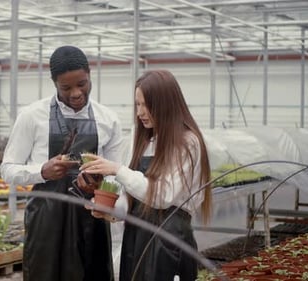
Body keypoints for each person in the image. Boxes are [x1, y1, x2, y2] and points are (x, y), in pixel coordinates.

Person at [0, 45, 125, 281]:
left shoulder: (108, 119)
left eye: (82, 84)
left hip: (91, 218)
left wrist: (100, 184)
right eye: (66, 88)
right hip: (48, 221)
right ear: (54, 83)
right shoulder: (31, 116)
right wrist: (42, 171)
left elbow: (117, 174)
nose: (76, 93)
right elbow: (7, 169)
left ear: (90, 75)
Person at [79, 69, 212, 281]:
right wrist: (111, 211)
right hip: (137, 238)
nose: (140, 112)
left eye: (145, 104)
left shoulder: (187, 143)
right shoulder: (144, 141)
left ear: (165, 103)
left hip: (168, 240)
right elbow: (134, 199)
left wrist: (117, 170)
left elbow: (163, 195)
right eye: (137, 105)